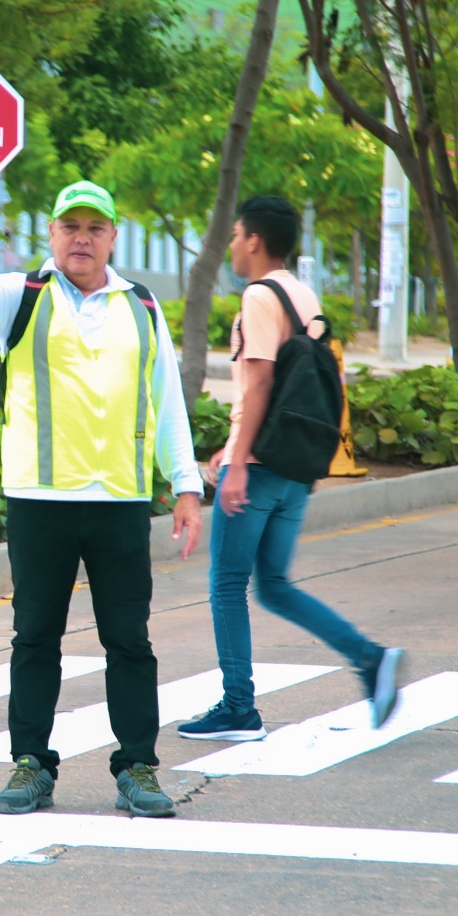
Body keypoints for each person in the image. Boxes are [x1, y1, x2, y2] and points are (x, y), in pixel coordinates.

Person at [0, 179, 204, 818]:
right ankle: (31, 764)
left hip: (118, 498)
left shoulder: (141, 307)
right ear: (53, 236)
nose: (81, 238)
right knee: (35, 636)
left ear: (113, 237)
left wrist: (186, 483)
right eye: (70, 227)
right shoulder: (22, 295)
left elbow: (166, 399)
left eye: (94, 228)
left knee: (129, 639)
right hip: (40, 499)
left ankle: (137, 767)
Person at [177, 195, 401, 743]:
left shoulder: (257, 296)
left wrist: (235, 464)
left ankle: (238, 707)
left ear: (254, 239)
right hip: (295, 468)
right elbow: (288, 389)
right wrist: (228, 448)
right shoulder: (303, 295)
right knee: (272, 585)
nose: (232, 244)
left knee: (228, 584)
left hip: (256, 469)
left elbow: (258, 385)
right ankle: (370, 659)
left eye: (235, 234)